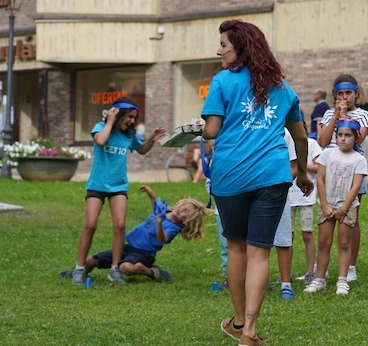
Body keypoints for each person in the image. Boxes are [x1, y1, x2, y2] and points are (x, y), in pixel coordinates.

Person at [204, 20, 313, 346]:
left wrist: (198, 129)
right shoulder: (281, 86)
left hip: (231, 175)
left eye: (223, 44)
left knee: (237, 246)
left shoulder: (222, 81)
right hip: (272, 176)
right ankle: (249, 331)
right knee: (260, 252)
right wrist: (304, 173)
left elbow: (211, 130)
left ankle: (239, 323)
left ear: (240, 47)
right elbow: (301, 136)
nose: (219, 50)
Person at [69, 98, 167, 285]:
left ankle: (114, 269)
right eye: (129, 116)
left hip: (118, 187)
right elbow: (100, 140)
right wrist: (110, 121)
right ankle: (79, 268)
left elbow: (142, 150)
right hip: (97, 185)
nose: (132, 121)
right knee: (90, 225)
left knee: (120, 226)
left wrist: (152, 139)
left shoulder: (129, 136)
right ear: (118, 113)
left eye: (134, 118)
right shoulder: (100, 127)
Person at [60, 185, 206, 283]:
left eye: (186, 213)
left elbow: (163, 239)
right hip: (128, 247)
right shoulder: (166, 211)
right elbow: (157, 206)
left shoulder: (173, 227)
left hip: (143, 254)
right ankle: (79, 272)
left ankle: (152, 272)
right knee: (90, 261)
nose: (181, 211)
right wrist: (152, 195)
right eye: (183, 207)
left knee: (125, 268)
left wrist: (160, 224)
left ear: (187, 220)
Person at [318, 74, 368, 281]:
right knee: (326, 214)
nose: (345, 97)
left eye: (348, 93)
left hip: (353, 172)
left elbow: (357, 139)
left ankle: (351, 264)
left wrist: (345, 117)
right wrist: (335, 116)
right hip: (330, 170)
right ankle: (322, 263)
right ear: (334, 95)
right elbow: (323, 141)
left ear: (356, 94)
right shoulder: (326, 114)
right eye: (340, 94)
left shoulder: (364, 115)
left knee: (352, 219)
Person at [305, 119, 368, 294]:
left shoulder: (359, 159)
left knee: (344, 243)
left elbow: (356, 186)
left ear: (356, 137)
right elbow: (321, 180)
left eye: (347, 135)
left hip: (347, 207)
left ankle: (342, 279)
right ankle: (320, 279)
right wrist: (324, 205)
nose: (343, 139)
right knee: (324, 242)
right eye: (340, 135)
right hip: (328, 204)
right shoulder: (327, 154)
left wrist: (343, 209)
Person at [291, 133, 323, 284]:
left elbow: (320, 166)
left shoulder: (311, 144)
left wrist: (301, 166)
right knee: (287, 237)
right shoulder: (282, 140)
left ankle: (310, 272)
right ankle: (286, 274)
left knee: (307, 234)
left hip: (306, 197)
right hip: (287, 197)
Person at [274, 128, 301, 299]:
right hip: (250, 191)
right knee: (251, 241)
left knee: (283, 238)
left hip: (278, 191)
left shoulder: (284, 132)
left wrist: (280, 183)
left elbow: (294, 166)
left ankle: (286, 284)